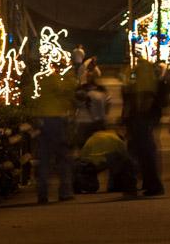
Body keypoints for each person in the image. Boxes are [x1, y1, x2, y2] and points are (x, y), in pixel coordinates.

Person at [31, 68, 78, 204]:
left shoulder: (42, 83)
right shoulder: (60, 83)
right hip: (57, 119)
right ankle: (65, 191)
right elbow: (69, 96)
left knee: (44, 159)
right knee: (63, 158)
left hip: (43, 120)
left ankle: (42, 193)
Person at [122, 58, 165, 196]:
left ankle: (148, 184)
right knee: (144, 152)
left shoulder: (139, 80)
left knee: (141, 152)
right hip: (144, 120)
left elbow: (137, 98)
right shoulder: (150, 79)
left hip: (140, 121)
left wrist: (131, 116)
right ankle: (149, 183)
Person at [75, 129, 137, 195]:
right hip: (105, 161)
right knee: (125, 162)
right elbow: (125, 157)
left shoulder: (92, 137)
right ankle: (116, 185)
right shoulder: (117, 140)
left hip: (89, 164)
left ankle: (83, 183)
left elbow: (82, 155)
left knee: (92, 185)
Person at [74, 72, 109, 148]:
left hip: (89, 120)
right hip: (90, 120)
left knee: (88, 144)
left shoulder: (82, 90)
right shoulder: (99, 91)